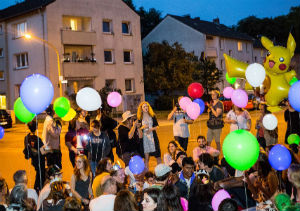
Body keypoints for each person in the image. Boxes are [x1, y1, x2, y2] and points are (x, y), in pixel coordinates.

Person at [137, 101, 162, 169]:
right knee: (146, 157)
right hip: (145, 139)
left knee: (158, 156)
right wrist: (142, 127)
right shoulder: (140, 118)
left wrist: (151, 129)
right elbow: (138, 128)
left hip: (153, 137)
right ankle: (146, 173)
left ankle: (160, 171)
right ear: (141, 109)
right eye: (144, 106)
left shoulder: (152, 115)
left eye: (147, 106)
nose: (146, 107)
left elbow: (157, 126)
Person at [24, 120, 47, 193]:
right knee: (41, 176)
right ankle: (37, 190)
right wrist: (48, 150)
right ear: (36, 127)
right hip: (40, 160)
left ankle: (37, 189)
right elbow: (43, 152)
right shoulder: (37, 139)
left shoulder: (27, 137)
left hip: (34, 160)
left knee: (38, 174)